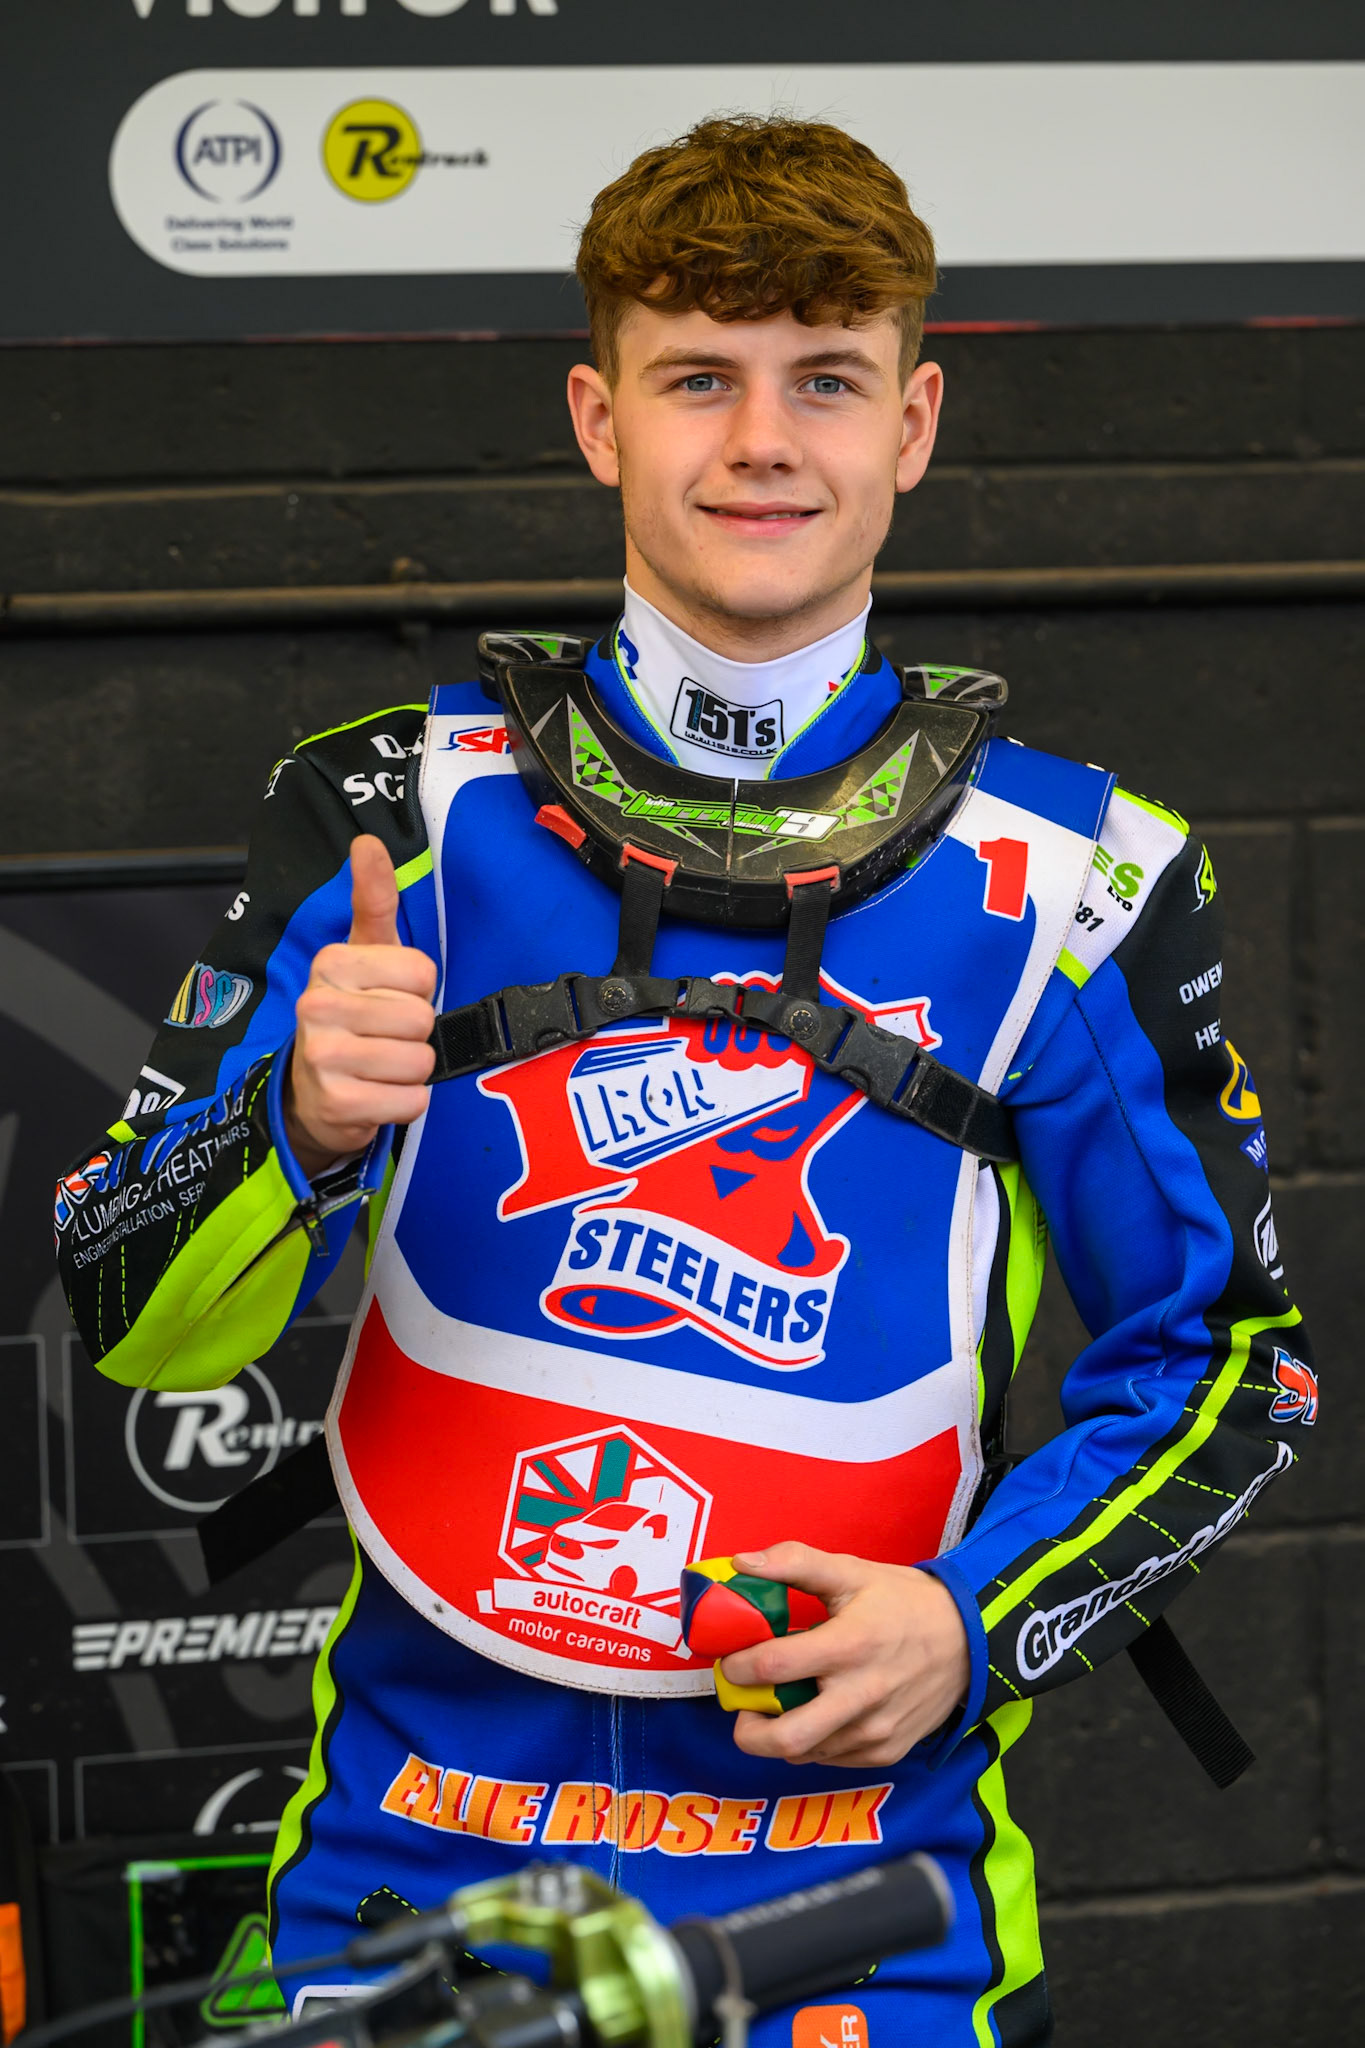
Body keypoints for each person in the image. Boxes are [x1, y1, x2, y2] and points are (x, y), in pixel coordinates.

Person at [55, 116, 1314, 2045]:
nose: (761, 442)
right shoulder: (392, 809)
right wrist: (290, 1123)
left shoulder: (1084, 879)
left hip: (869, 1910)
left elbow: (1238, 1364)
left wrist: (975, 1620)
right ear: (595, 417)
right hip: (410, 1871)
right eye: (695, 378)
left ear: (911, 424)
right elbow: (127, 1321)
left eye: (826, 379)